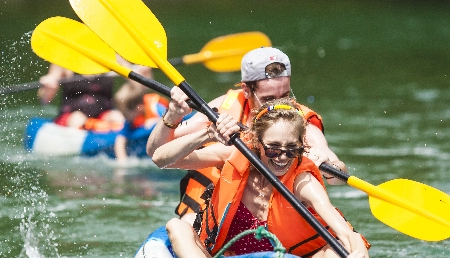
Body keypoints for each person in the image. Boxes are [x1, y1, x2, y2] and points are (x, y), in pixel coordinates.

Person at [151, 99, 370, 258]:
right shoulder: (235, 156)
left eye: (291, 149)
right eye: (273, 149)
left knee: (336, 249)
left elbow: (345, 233)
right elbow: (160, 158)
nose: (282, 157)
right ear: (257, 142)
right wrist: (208, 134)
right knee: (177, 226)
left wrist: (359, 255)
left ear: (301, 146)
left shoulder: (303, 181)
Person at [146, 47, 346, 223]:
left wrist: (329, 166)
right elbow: (157, 152)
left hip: (272, 213)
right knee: (188, 222)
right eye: (268, 98)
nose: (278, 106)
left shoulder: (299, 119)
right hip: (213, 205)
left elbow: (338, 176)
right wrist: (172, 116)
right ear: (246, 89)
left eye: (284, 96)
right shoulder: (220, 109)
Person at [38, 64, 125, 130]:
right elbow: (45, 100)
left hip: (102, 116)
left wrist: (137, 72)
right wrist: (49, 88)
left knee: (117, 116)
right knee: (77, 118)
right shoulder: (64, 57)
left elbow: (133, 80)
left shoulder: (112, 56)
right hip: (71, 116)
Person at [112, 75, 169, 162]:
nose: (123, 117)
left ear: (139, 108)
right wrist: (122, 160)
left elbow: (170, 118)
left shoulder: (154, 106)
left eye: (125, 114)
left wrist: (157, 121)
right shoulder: (130, 120)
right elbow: (120, 139)